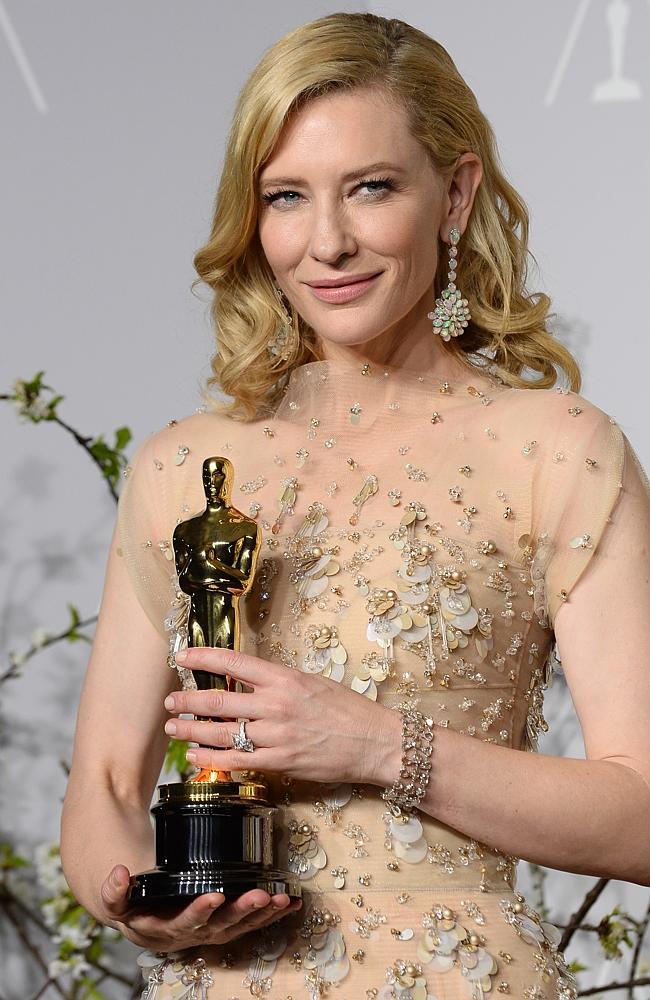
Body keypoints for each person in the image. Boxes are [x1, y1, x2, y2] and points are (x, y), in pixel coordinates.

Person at [60, 12, 650, 1000]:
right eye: (285, 197)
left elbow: (640, 814)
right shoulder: (183, 469)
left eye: (369, 188)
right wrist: (133, 898)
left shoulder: (558, 449)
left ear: (452, 195)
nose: (325, 242)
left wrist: (379, 744)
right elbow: (109, 793)